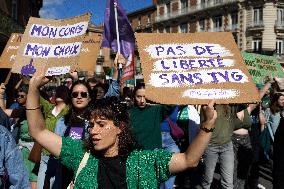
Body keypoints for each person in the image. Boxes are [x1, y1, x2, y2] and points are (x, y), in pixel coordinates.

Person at [26, 74, 217, 188]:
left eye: (101, 124)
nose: (93, 131)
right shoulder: (81, 156)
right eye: (91, 125)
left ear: (120, 127)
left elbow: (188, 160)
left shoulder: (144, 162)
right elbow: (38, 132)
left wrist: (207, 124)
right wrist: (33, 88)